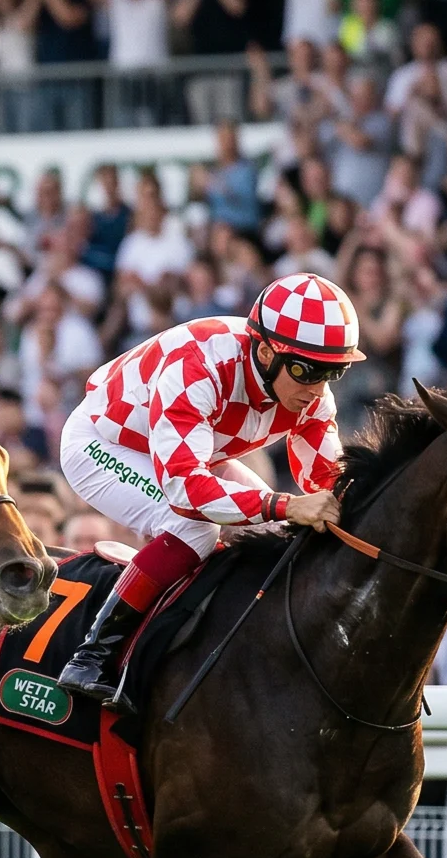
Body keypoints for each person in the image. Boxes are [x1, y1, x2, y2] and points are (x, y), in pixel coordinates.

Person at [54, 274, 354, 702]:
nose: (317, 389)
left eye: (333, 372)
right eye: (306, 370)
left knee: (284, 537)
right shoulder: (199, 365)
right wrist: (284, 503)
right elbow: (185, 490)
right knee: (196, 529)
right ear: (266, 351)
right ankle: (92, 655)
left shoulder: (312, 399)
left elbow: (326, 485)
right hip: (103, 444)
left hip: (196, 455)